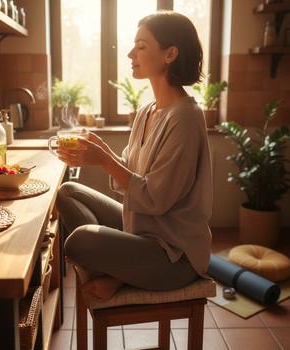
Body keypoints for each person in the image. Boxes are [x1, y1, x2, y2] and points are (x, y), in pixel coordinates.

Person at [56, 10, 212, 302]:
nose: (130, 54)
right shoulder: (146, 111)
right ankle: (120, 267)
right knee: (68, 192)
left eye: (141, 46)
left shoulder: (187, 118)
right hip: (141, 233)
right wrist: (101, 150)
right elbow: (129, 174)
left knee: (79, 241)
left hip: (174, 255)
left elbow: (155, 198)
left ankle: (116, 273)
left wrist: (103, 160)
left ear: (170, 54)